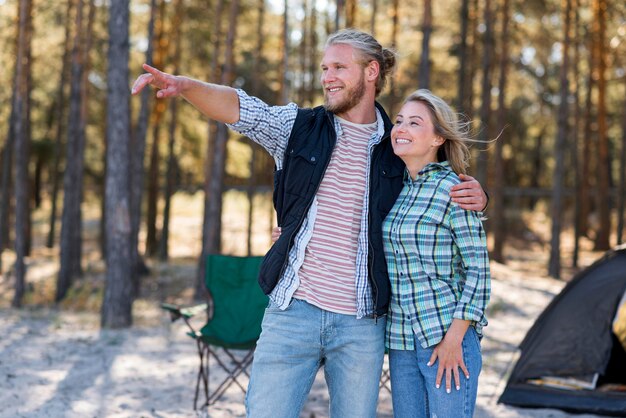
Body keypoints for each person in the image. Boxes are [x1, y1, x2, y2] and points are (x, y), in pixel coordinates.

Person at [131, 30, 488, 418]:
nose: (327, 77)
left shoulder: (397, 146)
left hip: (362, 324)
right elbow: (242, 108)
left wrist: (477, 196)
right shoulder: (297, 127)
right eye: (324, 68)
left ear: (371, 71)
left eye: (338, 67)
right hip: (292, 312)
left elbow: (431, 186)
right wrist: (185, 86)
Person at [383, 89, 490, 418]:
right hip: (401, 340)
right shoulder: (396, 189)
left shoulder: (454, 189)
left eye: (414, 123)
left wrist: (453, 340)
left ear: (437, 138)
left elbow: (479, 273)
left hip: (446, 334)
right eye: (399, 121)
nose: (401, 128)